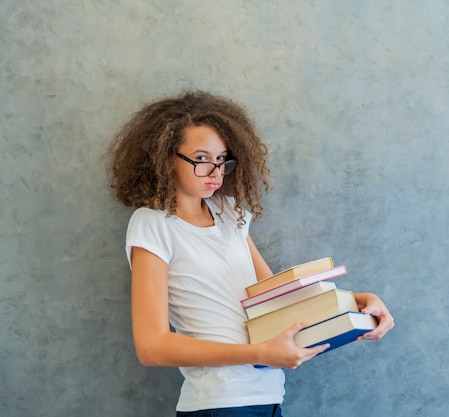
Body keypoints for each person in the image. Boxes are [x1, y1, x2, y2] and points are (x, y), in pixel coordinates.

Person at [107, 90, 394, 417]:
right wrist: (258, 352)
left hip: (269, 397)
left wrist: (359, 301)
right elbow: (151, 346)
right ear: (165, 158)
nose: (215, 173)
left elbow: (276, 298)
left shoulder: (231, 214)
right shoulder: (152, 224)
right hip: (219, 403)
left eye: (221, 160)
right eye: (201, 160)